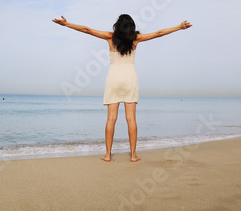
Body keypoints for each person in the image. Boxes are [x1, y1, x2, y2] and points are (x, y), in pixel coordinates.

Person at [52, 14, 192, 162]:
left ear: (117, 25)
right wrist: (179, 27)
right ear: (132, 27)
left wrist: (66, 24)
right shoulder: (136, 39)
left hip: (113, 78)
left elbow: (87, 29)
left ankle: (107, 155)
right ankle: (133, 155)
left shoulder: (110, 37)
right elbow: (158, 34)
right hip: (130, 78)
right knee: (131, 119)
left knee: (111, 119)